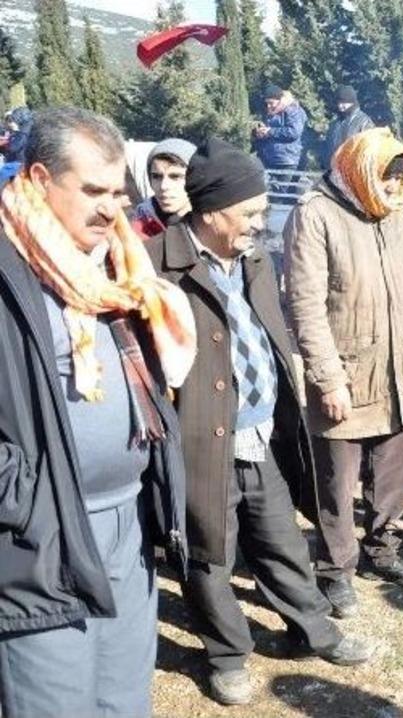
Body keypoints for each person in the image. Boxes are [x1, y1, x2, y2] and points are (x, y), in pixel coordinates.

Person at [148, 138, 372, 706]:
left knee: (281, 540)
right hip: (198, 441)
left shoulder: (253, 258)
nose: (259, 221)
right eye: (249, 211)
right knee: (208, 554)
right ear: (211, 210)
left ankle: (315, 631)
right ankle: (226, 655)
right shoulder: (157, 264)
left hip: (259, 434)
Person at [0, 106, 195, 718]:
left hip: (126, 526)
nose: (111, 209)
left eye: (117, 193)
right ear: (39, 179)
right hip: (41, 539)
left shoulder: (118, 264)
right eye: (93, 191)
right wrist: (22, 498)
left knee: (124, 700)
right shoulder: (8, 271)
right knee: (54, 705)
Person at [285, 128, 403, 607]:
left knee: (393, 474)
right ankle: (336, 567)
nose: (395, 186)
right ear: (361, 170)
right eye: (387, 176)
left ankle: (383, 547)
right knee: (337, 482)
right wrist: (327, 378)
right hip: (346, 375)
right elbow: (305, 306)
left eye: (401, 177)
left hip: (398, 370)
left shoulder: (398, 219)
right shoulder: (316, 214)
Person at [131, 137, 196, 239]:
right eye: (156, 177)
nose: (163, 186)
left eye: (175, 177)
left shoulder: (212, 225)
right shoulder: (139, 231)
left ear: (195, 178)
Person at [253, 84, 308, 174]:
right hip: (269, 159)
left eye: (271, 103)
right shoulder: (271, 112)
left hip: (287, 160)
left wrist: (270, 131)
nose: (268, 106)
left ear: (280, 100)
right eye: (267, 103)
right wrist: (260, 133)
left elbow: (294, 132)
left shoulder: (294, 111)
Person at [321, 84, 375, 170]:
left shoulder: (364, 122)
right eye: (339, 102)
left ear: (352, 102)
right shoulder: (335, 123)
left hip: (355, 169)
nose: (340, 105)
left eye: (344, 102)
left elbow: (370, 148)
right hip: (336, 169)